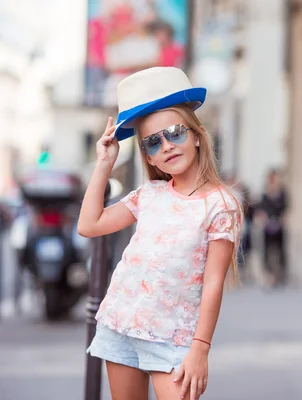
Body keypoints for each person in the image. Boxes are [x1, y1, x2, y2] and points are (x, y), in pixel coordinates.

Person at [78, 67, 243, 400]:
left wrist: (200, 349)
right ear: (147, 154)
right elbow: (89, 225)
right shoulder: (148, 194)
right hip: (121, 324)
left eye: (175, 133)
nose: (166, 145)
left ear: (197, 134)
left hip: (175, 339)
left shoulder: (220, 205)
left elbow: (213, 284)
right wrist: (104, 164)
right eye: (153, 142)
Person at [257, 169, 287, 287]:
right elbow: (261, 209)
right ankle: (269, 276)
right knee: (267, 251)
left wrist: (281, 221)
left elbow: (286, 208)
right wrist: (264, 219)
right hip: (267, 226)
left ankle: (279, 275)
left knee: (280, 251)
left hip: (279, 226)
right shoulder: (265, 193)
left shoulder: (282, 193)